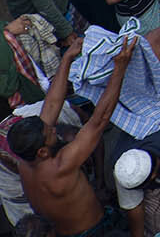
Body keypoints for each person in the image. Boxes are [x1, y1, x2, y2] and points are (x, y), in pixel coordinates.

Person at [8, 38, 135, 237]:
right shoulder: (60, 166)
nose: (53, 129)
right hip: (94, 232)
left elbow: (51, 105)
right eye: (49, 132)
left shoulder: (26, 162)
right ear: (42, 152)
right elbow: (99, 120)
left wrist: (67, 58)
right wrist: (120, 68)